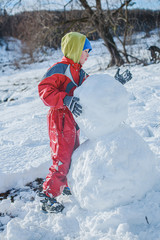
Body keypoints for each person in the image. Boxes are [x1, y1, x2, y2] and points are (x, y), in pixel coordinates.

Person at [38, 32, 92, 213]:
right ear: (76, 50)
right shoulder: (60, 69)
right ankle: (47, 195)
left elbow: (95, 89)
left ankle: (67, 185)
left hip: (73, 121)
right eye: (86, 51)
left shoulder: (81, 73)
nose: (88, 55)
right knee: (62, 159)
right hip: (59, 121)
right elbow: (44, 91)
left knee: (74, 155)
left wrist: (115, 83)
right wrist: (65, 99)